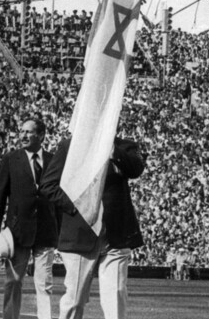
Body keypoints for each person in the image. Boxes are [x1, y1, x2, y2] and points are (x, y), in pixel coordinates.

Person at [41, 135, 145, 319]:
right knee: (75, 300)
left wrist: (112, 148)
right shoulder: (70, 146)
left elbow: (136, 169)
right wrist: (77, 206)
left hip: (116, 235)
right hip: (81, 234)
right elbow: (48, 185)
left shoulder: (124, 146)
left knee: (117, 296)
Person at [0, 119, 57, 319]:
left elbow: (60, 196)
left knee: (44, 283)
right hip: (18, 232)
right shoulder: (11, 159)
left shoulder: (53, 160)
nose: (24, 135)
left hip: (46, 230)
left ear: (41, 135)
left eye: (29, 132)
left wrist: (60, 229)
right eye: (22, 131)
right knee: (14, 281)